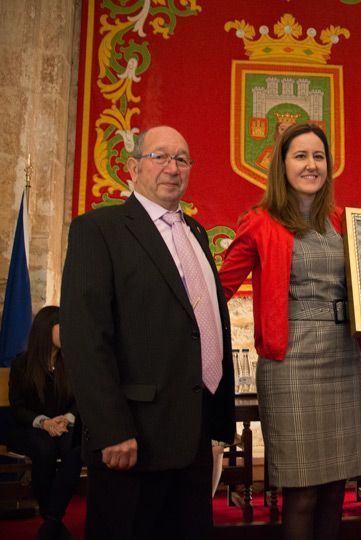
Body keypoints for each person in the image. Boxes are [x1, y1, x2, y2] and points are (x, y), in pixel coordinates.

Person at [60, 126, 236, 539]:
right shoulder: (98, 230)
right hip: (134, 439)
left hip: (194, 434)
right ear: (134, 166)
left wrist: (218, 421)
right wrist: (111, 428)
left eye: (182, 159)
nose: (172, 168)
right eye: (160, 157)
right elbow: (86, 339)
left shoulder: (195, 233)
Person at [219, 122, 361, 540]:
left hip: (342, 359)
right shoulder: (259, 222)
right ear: (281, 166)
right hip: (291, 365)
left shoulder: (345, 221)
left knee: (337, 489)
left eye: (318, 156)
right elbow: (218, 290)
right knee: (302, 493)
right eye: (300, 156)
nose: (311, 165)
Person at [8, 305, 82, 540]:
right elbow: (17, 407)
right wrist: (44, 422)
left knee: (76, 448)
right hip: (31, 428)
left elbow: (80, 399)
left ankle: (51, 520)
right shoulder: (22, 364)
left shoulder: (70, 362)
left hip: (63, 427)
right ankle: (53, 520)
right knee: (44, 448)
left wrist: (67, 418)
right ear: (46, 329)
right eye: (63, 325)